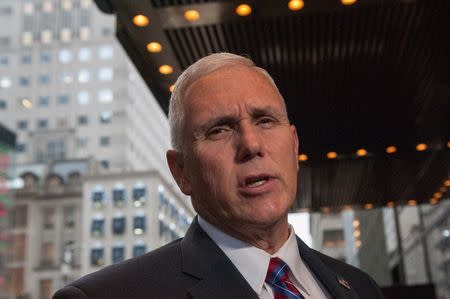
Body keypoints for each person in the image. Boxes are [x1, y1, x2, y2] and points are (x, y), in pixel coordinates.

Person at [53, 53, 384, 299]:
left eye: (265, 120)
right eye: (219, 130)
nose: (251, 144)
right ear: (181, 172)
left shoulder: (361, 287)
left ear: (294, 145)